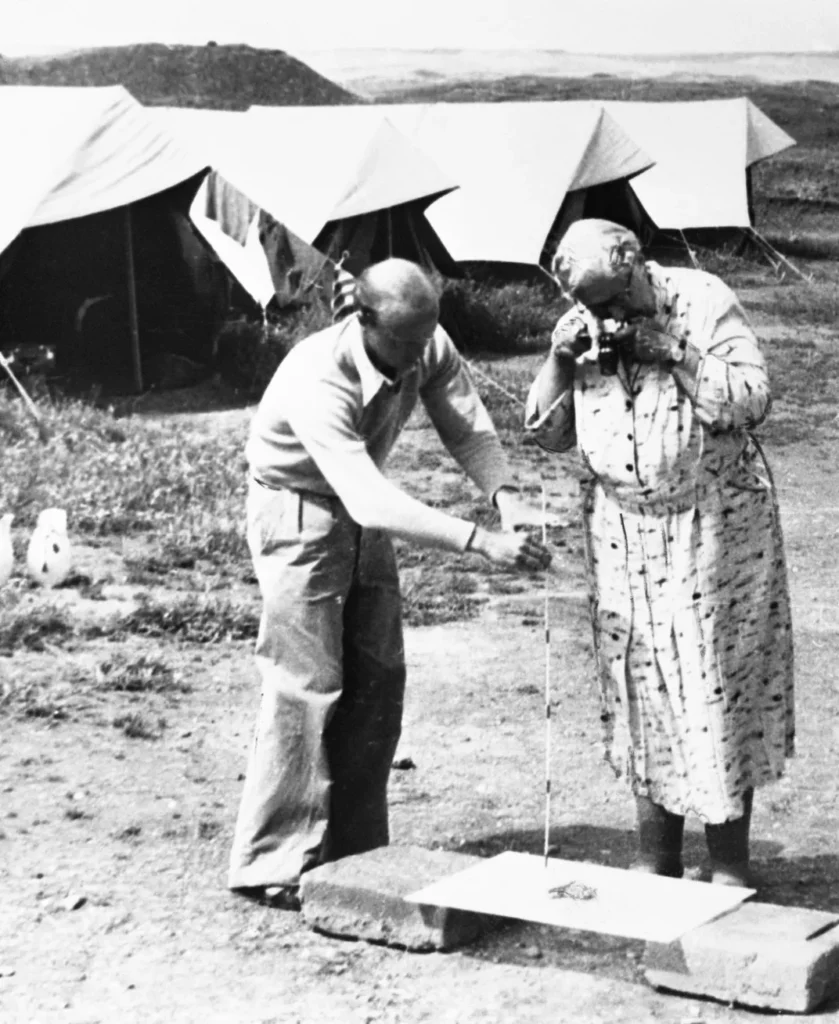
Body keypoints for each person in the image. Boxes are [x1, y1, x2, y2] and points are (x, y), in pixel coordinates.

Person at [230, 257, 552, 907]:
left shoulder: (424, 338)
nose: (415, 357)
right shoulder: (320, 376)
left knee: (379, 674)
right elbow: (372, 499)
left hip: (354, 504)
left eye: (424, 338)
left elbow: (464, 421)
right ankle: (272, 861)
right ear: (364, 319)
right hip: (297, 506)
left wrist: (505, 496)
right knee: (306, 683)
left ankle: (355, 850)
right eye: (403, 343)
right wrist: (478, 540)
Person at [525, 219, 794, 888]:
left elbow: (751, 398)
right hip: (621, 529)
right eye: (591, 307)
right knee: (638, 685)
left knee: (713, 682)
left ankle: (728, 862)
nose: (604, 318)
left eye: (613, 303)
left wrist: (671, 350)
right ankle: (657, 860)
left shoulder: (700, 299)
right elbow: (545, 432)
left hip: (712, 522)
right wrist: (561, 357)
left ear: (634, 266)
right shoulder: (582, 317)